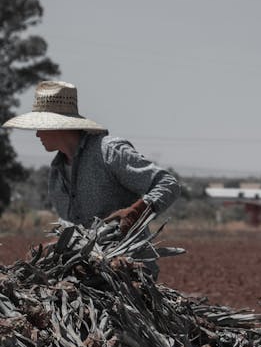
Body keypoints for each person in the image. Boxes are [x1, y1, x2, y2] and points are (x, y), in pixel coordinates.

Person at [3, 80, 180, 234]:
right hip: (87, 268)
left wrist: (137, 211)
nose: (37, 135)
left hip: (128, 266)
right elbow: (71, 227)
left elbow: (167, 184)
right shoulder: (56, 174)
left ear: (56, 125)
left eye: (40, 127)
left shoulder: (109, 151)